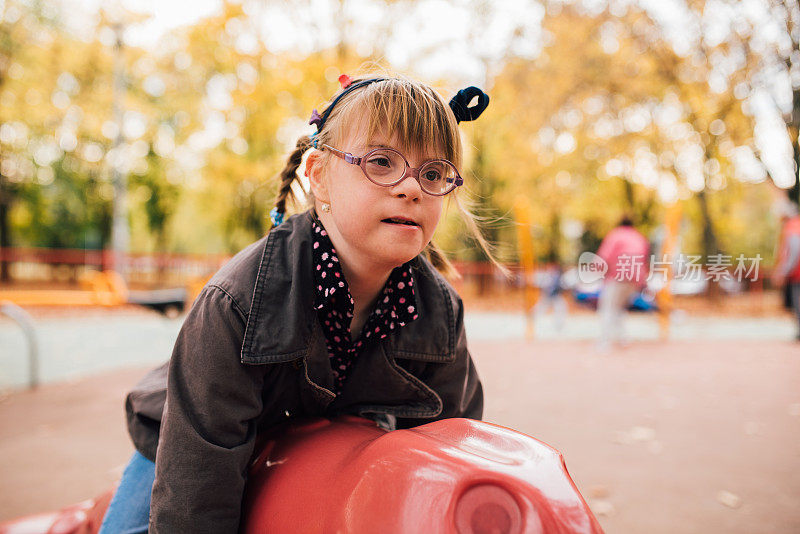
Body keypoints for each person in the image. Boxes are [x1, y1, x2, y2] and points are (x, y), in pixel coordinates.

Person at [98, 74, 496, 533]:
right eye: (382, 162)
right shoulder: (239, 302)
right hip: (195, 443)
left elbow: (450, 449)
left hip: (320, 447)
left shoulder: (437, 312)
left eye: (432, 174)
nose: (411, 188)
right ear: (320, 177)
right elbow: (197, 490)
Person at [595, 216, 649, 351]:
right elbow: (644, 259)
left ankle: (604, 342)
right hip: (635, 278)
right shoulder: (640, 237)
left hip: (618, 275)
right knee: (619, 307)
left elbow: (604, 256)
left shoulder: (616, 235)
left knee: (608, 307)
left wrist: (597, 270)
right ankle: (623, 338)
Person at [772, 202, 800, 341]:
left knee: (797, 303)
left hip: (797, 274)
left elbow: (794, 251)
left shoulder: (793, 227)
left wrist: (783, 271)